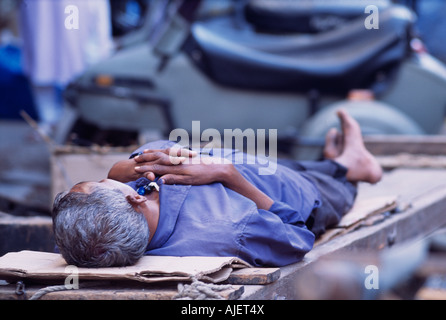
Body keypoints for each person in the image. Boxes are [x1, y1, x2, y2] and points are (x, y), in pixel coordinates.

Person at [52, 109, 382, 268]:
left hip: (256, 165)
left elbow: (127, 169)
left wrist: (130, 167)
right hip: (301, 196)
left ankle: (333, 160)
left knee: (288, 165)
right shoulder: (232, 231)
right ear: (134, 199)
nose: (109, 176)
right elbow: (297, 235)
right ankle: (353, 166)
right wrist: (229, 176)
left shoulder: (133, 205)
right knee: (328, 181)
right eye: (99, 181)